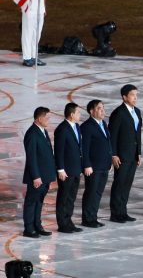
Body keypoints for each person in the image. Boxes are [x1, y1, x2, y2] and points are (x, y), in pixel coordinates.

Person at [108, 84, 142, 223]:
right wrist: (113, 154)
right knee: (119, 184)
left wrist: (139, 152)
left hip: (133, 155)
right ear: (124, 97)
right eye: (132, 95)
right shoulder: (119, 113)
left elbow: (137, 134)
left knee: (127, 184)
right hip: (122, 156)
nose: (135, 97)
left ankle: (123, 211)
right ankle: (115, 213)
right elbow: (112, 135)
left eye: (136, 95)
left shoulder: (137, 112)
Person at [22, 107, 55, 238]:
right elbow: (31, 158)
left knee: (39, 201)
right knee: (31, 202)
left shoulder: (43, 131)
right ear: (39, 119)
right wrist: (36, 176)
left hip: (45, 176)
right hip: (37, 177)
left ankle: (37, 225)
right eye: (48, 118)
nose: (49, 120)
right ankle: (29, 229)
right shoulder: (32, 134)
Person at [81, 100, 113, 228]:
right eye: (99, 108)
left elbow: (107, 143)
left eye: (103, 108)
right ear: (92, 112)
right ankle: (87, 218)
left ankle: (93, 217)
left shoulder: (103, 123)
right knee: (91, 192)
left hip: (104, 165)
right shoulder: (87, 127)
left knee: (98, 192)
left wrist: (109, 160)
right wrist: (87, 164)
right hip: (93, 166)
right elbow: (85, 148)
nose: (102, 110)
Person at [54, 103, 84, 234]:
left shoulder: (76, 126)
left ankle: (68, 221)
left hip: (76, 169)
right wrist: (60, 169)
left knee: (71, 197)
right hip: (66, 170)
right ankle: (62, 223)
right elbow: (59, 151)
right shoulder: (62, 129)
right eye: (78, 112)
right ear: (72, 114)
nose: (80, 115)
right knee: (64, 197)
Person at [21, 0, 47, 68]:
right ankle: (27, 57)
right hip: (29, 7)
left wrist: (44, 6)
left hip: (39, 8)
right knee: (28, 32)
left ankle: (34, 55)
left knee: (37, 32)